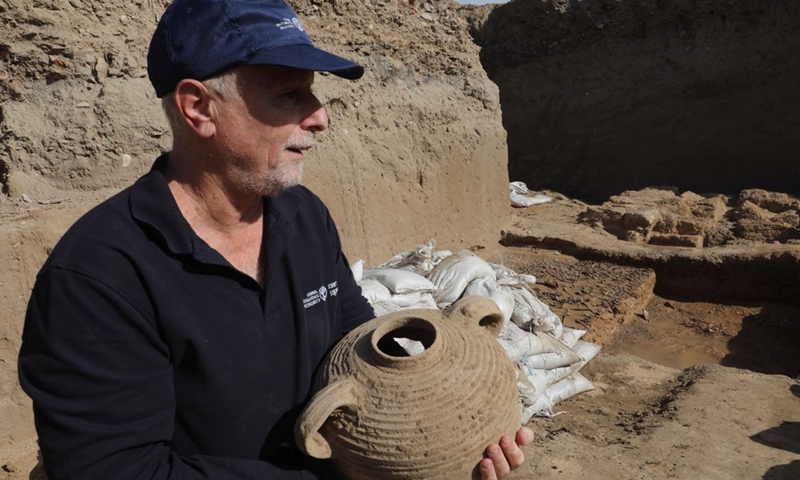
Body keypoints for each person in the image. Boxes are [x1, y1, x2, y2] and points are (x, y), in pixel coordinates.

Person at [18, 0, 533, 478]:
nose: (320, 116)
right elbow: (117, 469)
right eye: (290, 94)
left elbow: (354, 343)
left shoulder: (303, 217)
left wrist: (445, 423)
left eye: (311, 92)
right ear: (198, 108)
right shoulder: (99, 274)